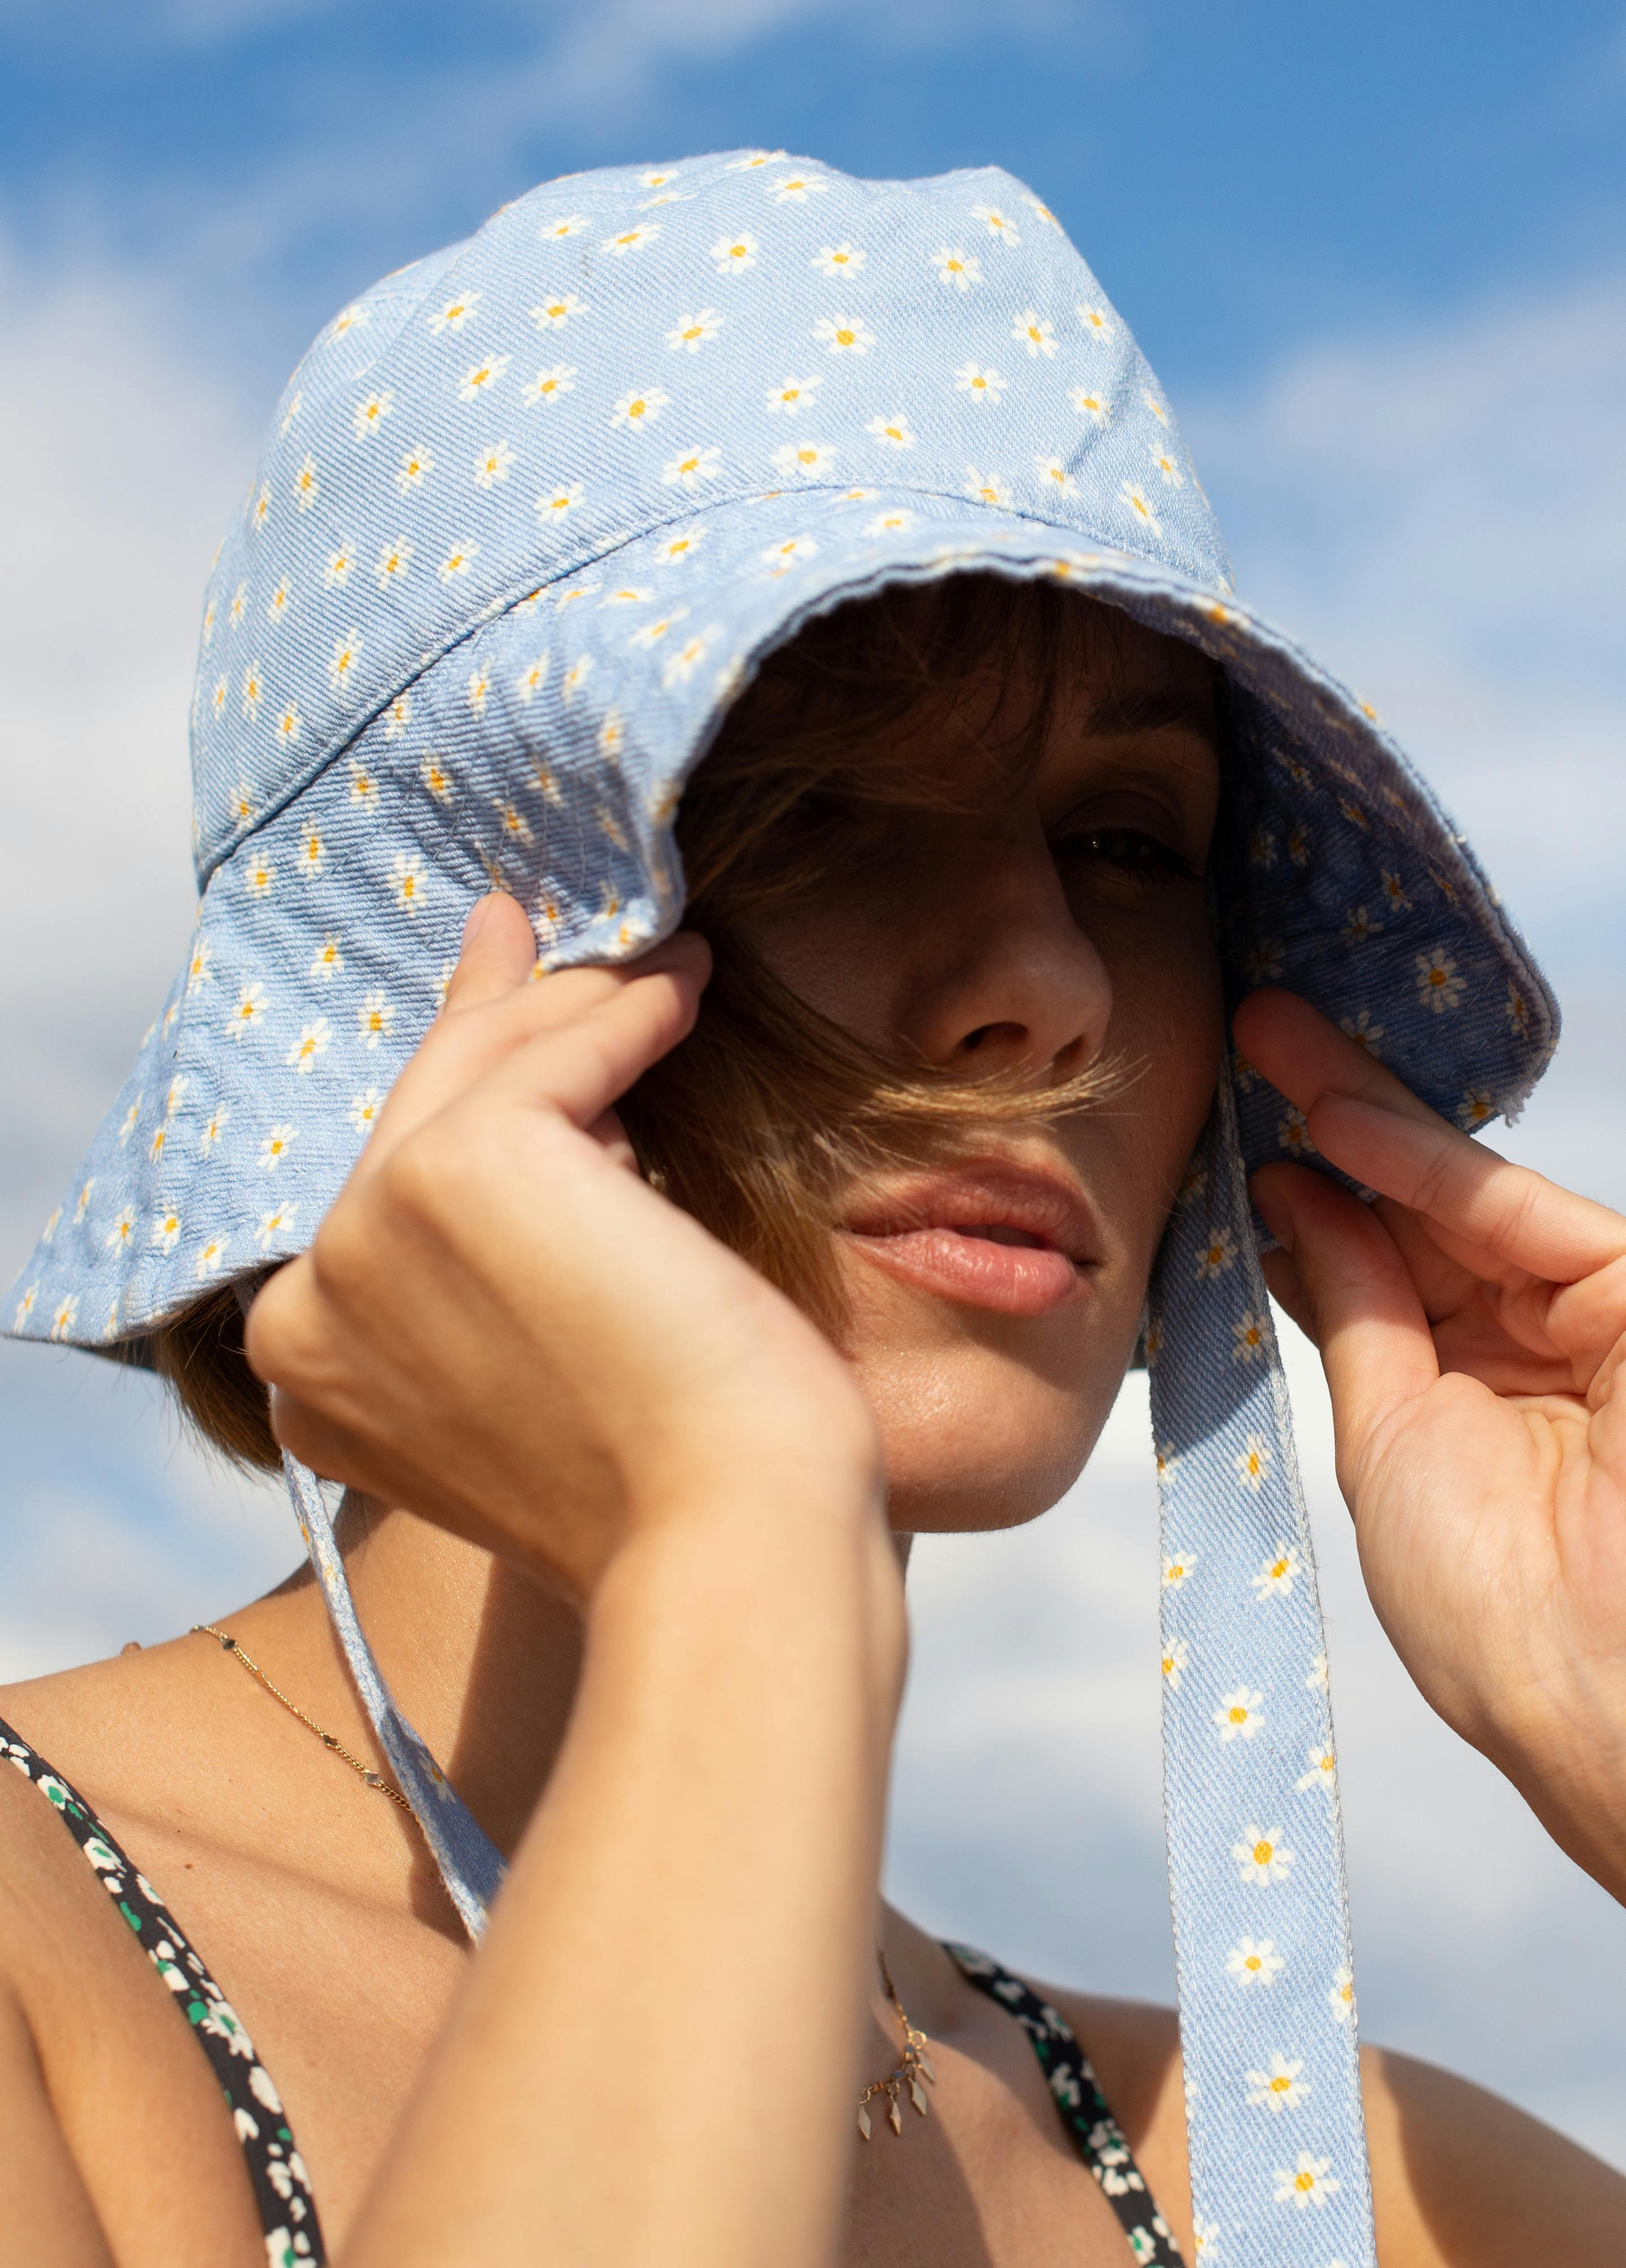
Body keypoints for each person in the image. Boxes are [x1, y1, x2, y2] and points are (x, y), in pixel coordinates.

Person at [2, 151, 1623, 2268]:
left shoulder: (1364, 2187)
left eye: (1133, 841)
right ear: (409, 974)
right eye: (826, 812)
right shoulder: (50, 1968)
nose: (1047, 986)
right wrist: (730, 1546)